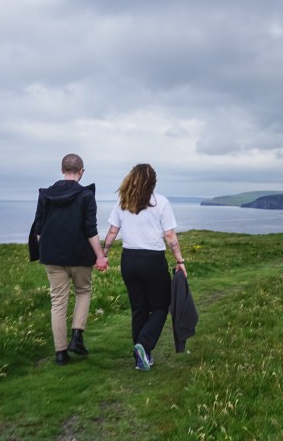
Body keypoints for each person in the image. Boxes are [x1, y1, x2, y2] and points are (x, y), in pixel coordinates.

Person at [102, 163, 187, 371]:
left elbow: (113, 231)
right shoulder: (161, 202)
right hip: (152, 260)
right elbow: (169, 236)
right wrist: (179, 261)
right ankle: (144, 345)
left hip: (129, 260)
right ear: (153, 183)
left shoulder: (123, 202)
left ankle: (141, 358)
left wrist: (103, 254)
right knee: (161, 305)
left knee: (139, 308)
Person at [33, 153, 108, 365]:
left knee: (58, 302)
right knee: (83, 292)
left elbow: (38, 229)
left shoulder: (45, 194)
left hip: (53, 256)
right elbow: (90, 230)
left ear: (62, 170)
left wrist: (46, 249)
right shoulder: (86, 195)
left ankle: (60, 353)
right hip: (80, 256)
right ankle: (77, 336)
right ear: (81, 171)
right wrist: (100, 255)